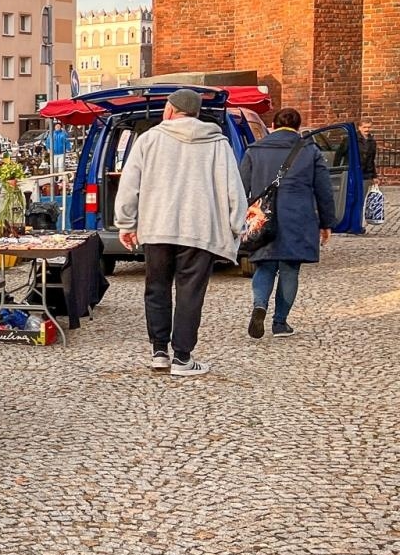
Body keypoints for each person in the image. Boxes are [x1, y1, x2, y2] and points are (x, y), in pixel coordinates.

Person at [113, 88, 247, 376]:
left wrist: (126, 223)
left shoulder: (148, 140)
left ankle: (159, 351)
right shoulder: (217, 144)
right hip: (200, 229)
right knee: (190, 293)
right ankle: (183, 358)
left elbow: (129, 184)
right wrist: (238, 226)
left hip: (157, 227)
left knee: (156, 288)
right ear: (196, 113)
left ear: (171, 110)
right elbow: (233, 188)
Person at [238, 108, 335, 339]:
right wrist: (326, 222)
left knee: (264, 264)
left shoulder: (255, 150)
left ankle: (259, 305)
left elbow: (241, 187)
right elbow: (324, 189)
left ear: (272, 125)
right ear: (298, 127)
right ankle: (280, 323)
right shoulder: (309, 150)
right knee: (290, 269)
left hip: (262, 217)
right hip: (298, 218)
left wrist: (239, 219)